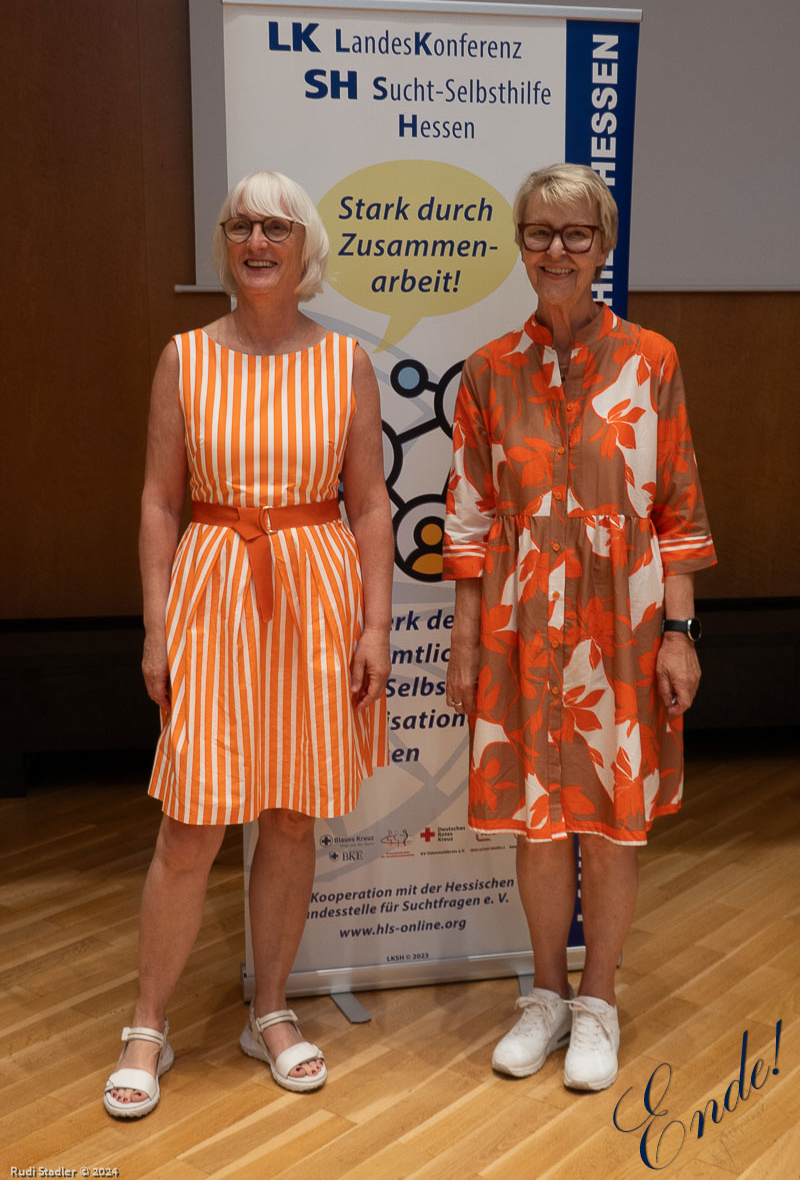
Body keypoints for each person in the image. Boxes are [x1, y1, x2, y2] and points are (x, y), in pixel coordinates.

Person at [103, 171, 392, 1117]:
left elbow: (370, 505)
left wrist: (376, 624)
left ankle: (270, 1008)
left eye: (276, 225)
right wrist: (156, 626)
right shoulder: (184, 357)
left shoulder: (345, 362)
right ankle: (147, 1026)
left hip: (317, 598)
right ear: (225, 244)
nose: (257, 240)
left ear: (306, 247)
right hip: (214, 593)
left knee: (293, 818)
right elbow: (159, 502)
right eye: (241, 225)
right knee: (191, 824)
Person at [443, 163, 715, 1092]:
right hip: (520, 627)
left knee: (609, 824)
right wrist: (465, 642)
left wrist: (680, 633)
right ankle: (547, 996)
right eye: (539, 233)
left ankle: (599, 1001)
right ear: (520, 245)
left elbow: (678, 510)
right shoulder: (487, 372)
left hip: (623, 624)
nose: (556, 250)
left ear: (603, 247)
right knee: (537, 821)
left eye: (576, 234)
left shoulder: (653, 360)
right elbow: (469, 523)